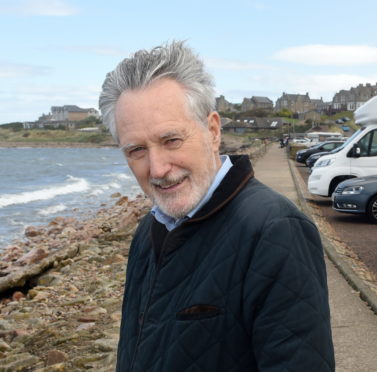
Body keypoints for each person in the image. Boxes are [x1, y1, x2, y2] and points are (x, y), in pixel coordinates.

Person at [99, 41, 335, 372]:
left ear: (212, 131)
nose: (157, 169)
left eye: (171, 141)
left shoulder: (275, 231)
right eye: (136, 150)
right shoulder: (148, 230)